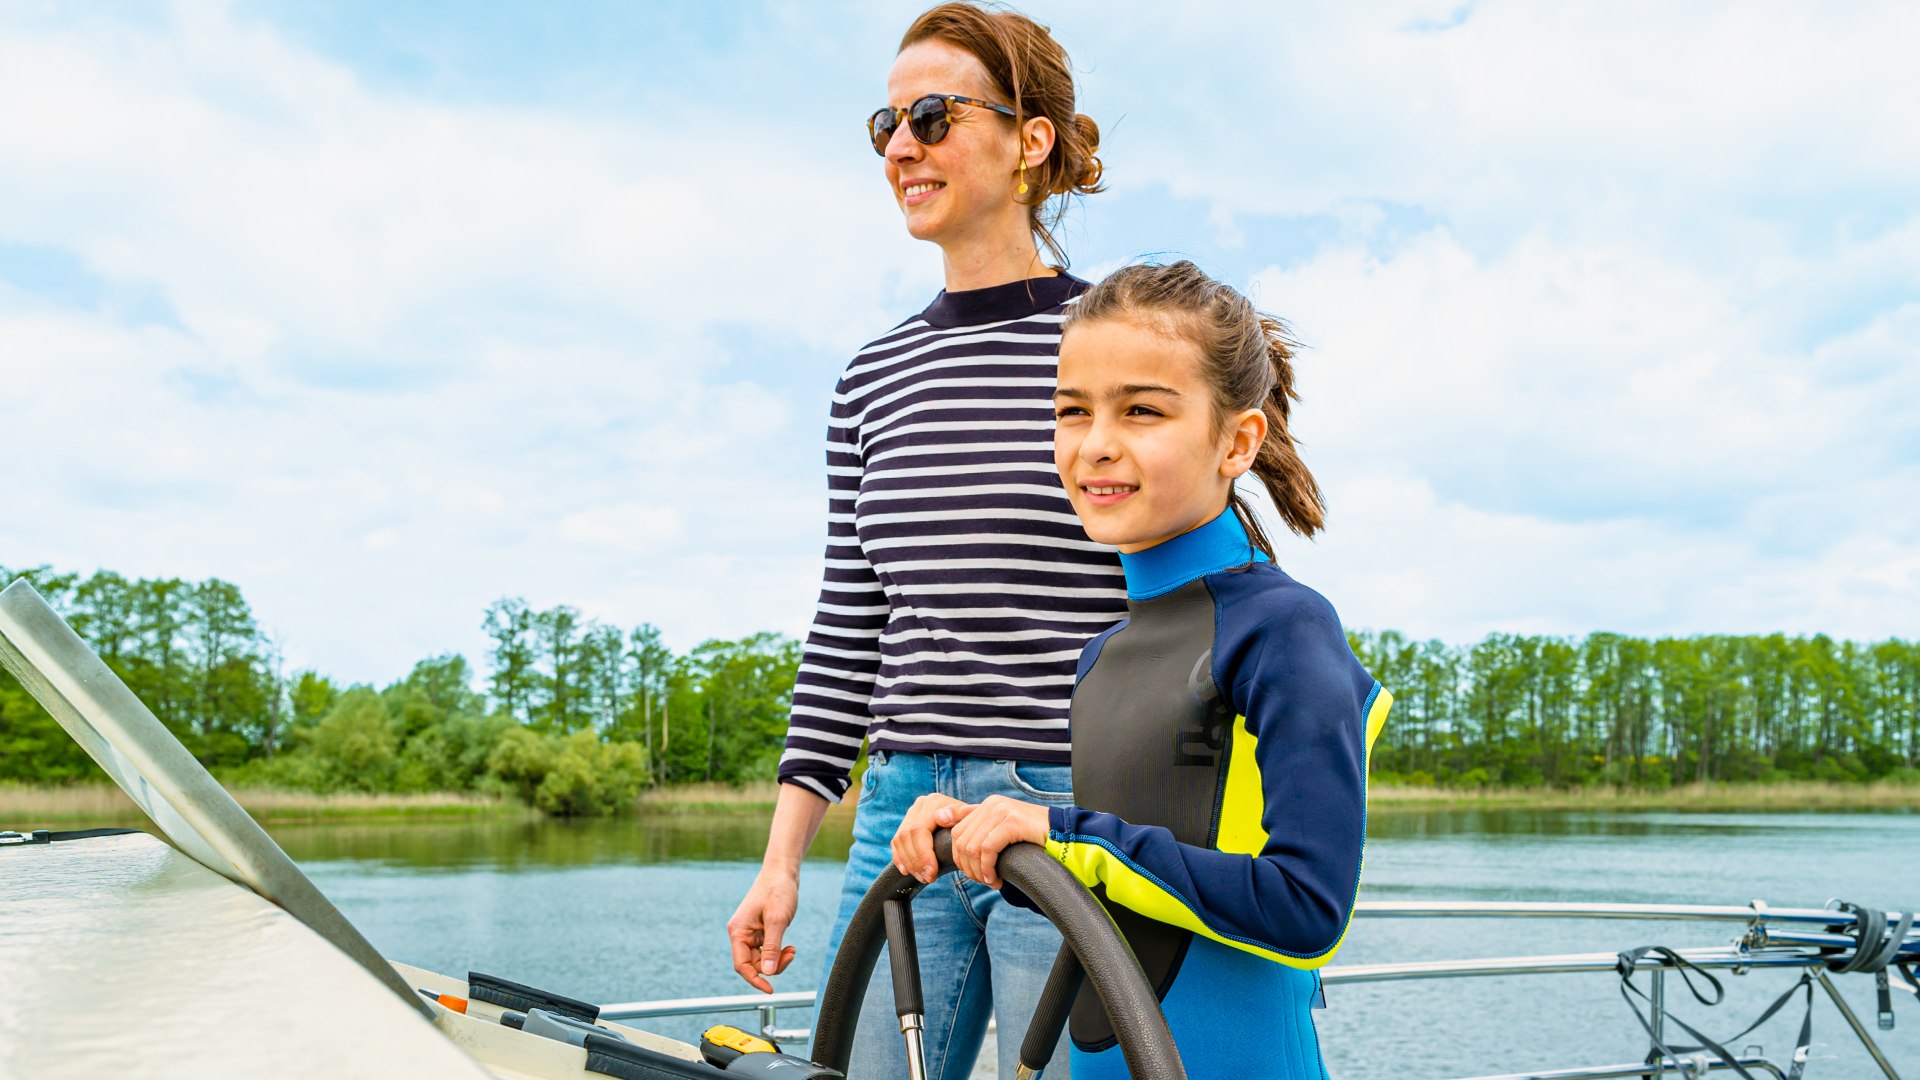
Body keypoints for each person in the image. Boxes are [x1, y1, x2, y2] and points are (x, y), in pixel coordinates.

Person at [724, 5, 1119, 1078]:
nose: (902, 148)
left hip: (1068, 807)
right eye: (885, 126)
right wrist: (781, 861)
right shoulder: (872, 379)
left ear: (1029, 140)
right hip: (899, 810)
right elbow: (850, 621)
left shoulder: (1118, 349)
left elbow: (1186, 599)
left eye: (933, 118)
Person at [891, 260, 1393, 1079]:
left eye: (1142, 411)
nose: (1096, 445)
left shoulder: (1286, 629)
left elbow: (1308, 910)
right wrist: (976, 832)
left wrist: (1059, 833)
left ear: (1238, 440)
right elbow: (1124, 883)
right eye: (1071, 410)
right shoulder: (1105, 653)